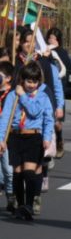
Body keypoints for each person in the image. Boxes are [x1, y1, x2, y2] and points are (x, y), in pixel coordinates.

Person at [0, 61, 54, 220]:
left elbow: (39, 114)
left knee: (29, 172)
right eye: (28, 81)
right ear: (22, 79)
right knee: (17, 173)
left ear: (39, 82)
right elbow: (5, 118)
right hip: (16, 136)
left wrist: (47, 137)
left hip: (34, 137)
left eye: (35, 82)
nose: (31, 85)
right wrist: (2, 138)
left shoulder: (42, 96)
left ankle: (29, 205)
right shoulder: (12, 96)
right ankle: (20, 204)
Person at [46, 27, 70, 159]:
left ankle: (59, 140)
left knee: (57, 122)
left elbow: (64, 67)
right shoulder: (45, 51)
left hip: (58, 89)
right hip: (47, 90)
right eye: (50, 38)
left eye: (54, 39)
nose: (51, 40)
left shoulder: (61, 53)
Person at [0, 61, 15, 211]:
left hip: (6, 137)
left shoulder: (12, 95)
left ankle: (11, 197)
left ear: (8, 78)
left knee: (8, 170)